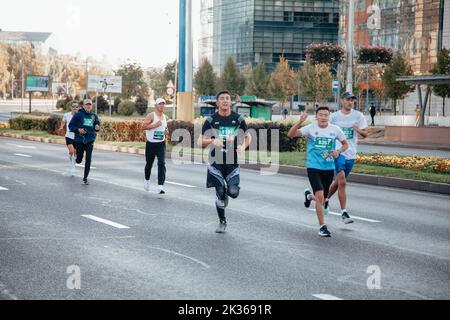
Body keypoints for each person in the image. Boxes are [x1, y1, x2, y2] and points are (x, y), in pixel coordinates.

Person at [288, 106, 349, 237]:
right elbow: (291, 134)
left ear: (329, 116)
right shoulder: (310, 128)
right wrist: (300, 121)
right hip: (313, 167)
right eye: (320, 115)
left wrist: (338, 151)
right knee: (321, 196)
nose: (323, 117)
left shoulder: (335, 129)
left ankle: (309, 196)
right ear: (316, 116)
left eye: (326, 115)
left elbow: (345, 144)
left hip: (328, 168)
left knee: (322, 199)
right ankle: (322, 227)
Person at [197, 90, 252, 233]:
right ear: (217, 102)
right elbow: (199, 141)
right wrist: (212, 140)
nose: (225, 101)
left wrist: (242, 146)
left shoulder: (238, 119)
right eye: (222, 99)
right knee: (220, 192)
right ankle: (222, 221)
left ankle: (227, 193)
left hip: (232, 162)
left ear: (230, 102)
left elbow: (248, 137)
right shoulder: (211, 120)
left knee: (233, 192)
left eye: (228, 98)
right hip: (216, 162)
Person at [324, 92, 368, 224]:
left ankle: (323, 199)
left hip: (351, 153)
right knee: (342, 181)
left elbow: (366, 134)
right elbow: (325, 131)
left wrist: (359, 130)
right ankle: (344, 213)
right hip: (338, 152)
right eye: (348, 100)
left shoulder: (358, 116)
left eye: (352, 100)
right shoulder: (335, 116)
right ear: (342, 101)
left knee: (338, 182)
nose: (350, 102)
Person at [141, 98, 170, 194]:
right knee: (149, 164)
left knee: (161, 163)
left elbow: (165, 128)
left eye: (163, 104)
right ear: (156, 106)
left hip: (161, 144)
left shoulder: (165, 117)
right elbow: (143, 127)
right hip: (151, 144)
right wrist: (155, 125)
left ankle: (160, 186)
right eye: (160, 104)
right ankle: (146, 180)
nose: (162, 106)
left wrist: (166, 131)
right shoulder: (151, 115)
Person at [68, 99, 100, 185]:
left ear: (91, 106)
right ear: (83, 106)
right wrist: (78, 130)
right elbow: (70, 126)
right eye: (87, 104)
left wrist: (97, 127)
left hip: (90, 139)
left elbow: (96, 126)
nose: (88, 106)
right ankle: (75, 159)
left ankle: (85, 178)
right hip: (79, 140)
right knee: (79, 160)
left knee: (88, 159)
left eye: (90, 104)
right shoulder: (78, 115)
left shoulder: (94, 116)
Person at [58, 100, 80, 176]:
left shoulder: (80, 115)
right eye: (73, 106)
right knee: (71, 151)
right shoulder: (66, 115)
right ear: (71, 107)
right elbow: (63, 121)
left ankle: (73, 161)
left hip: (77, 137)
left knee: (75, 152)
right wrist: (61, 127)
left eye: (76, 107)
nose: (75, 108)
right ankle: (72, 166)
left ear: (78, 108)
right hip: (69, 136)